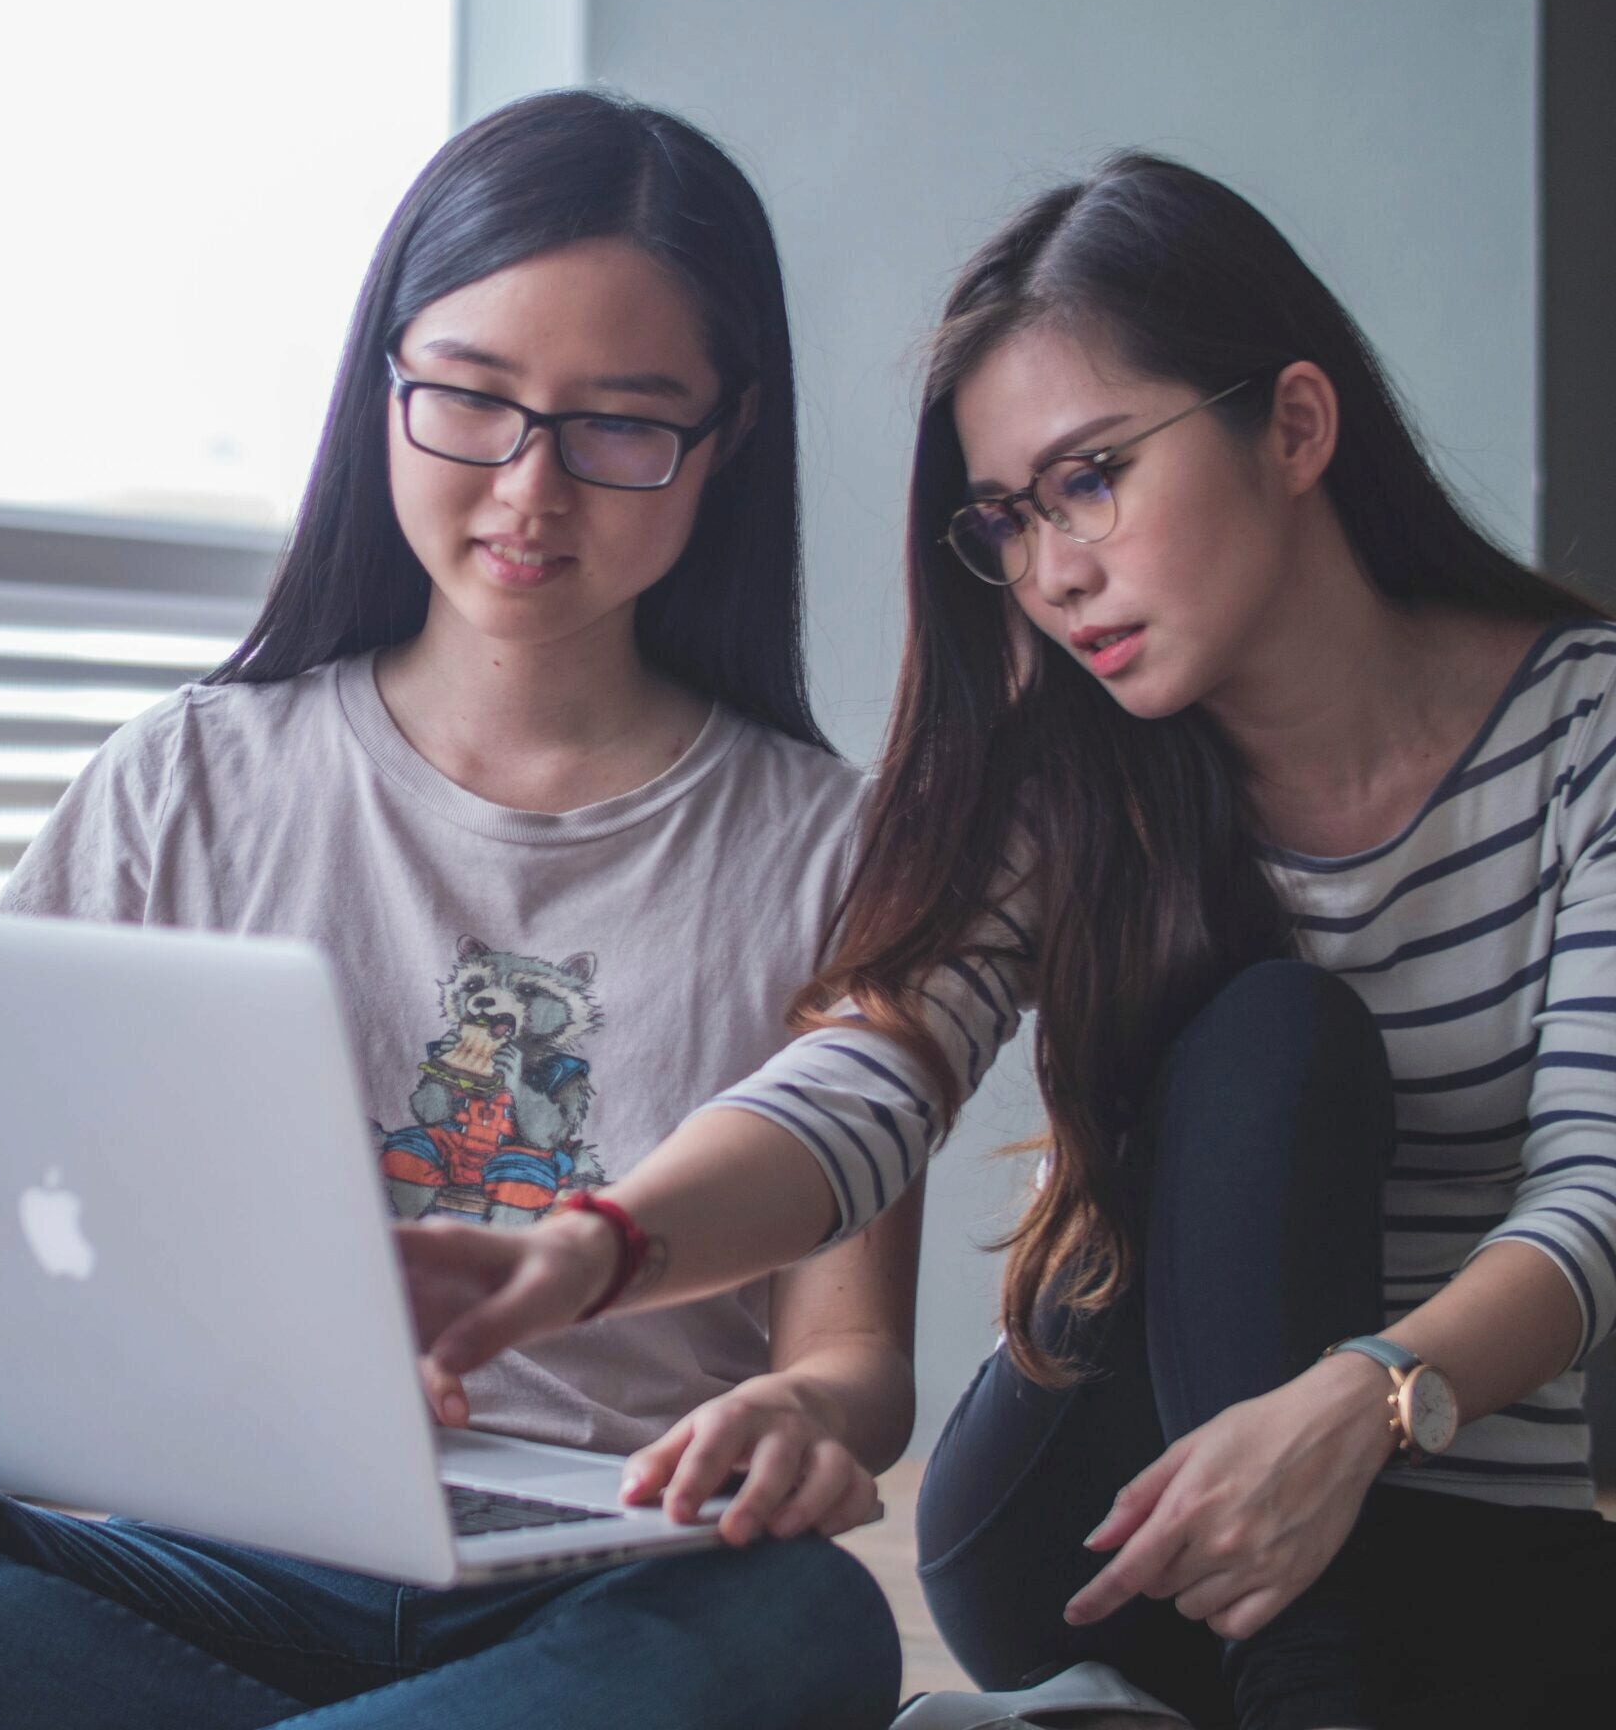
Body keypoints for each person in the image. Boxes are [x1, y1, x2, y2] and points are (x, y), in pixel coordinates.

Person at [0, 89, 914, 1730]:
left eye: (622, 424)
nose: (531, 490)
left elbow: (853, 1358)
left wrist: (810, 1419)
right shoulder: (183, 782)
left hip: (611, 1570)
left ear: (729, 435)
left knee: (806, 1627)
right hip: (228, 1552)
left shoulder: (840, 850)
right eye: (472, 401)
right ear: (383, 383)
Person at [401, 152, 1616, 1730]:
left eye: (1094, 476)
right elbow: (866, 1076)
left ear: (1297, 426)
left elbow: (1600, 1183)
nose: (1052, 574)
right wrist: (594, 1247)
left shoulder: (1587, 731)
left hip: (1460, 1521)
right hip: (1105, 1522)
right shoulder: (1074, 771)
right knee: (1276, 1033)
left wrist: (1366, 1402)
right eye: (1007, 521)